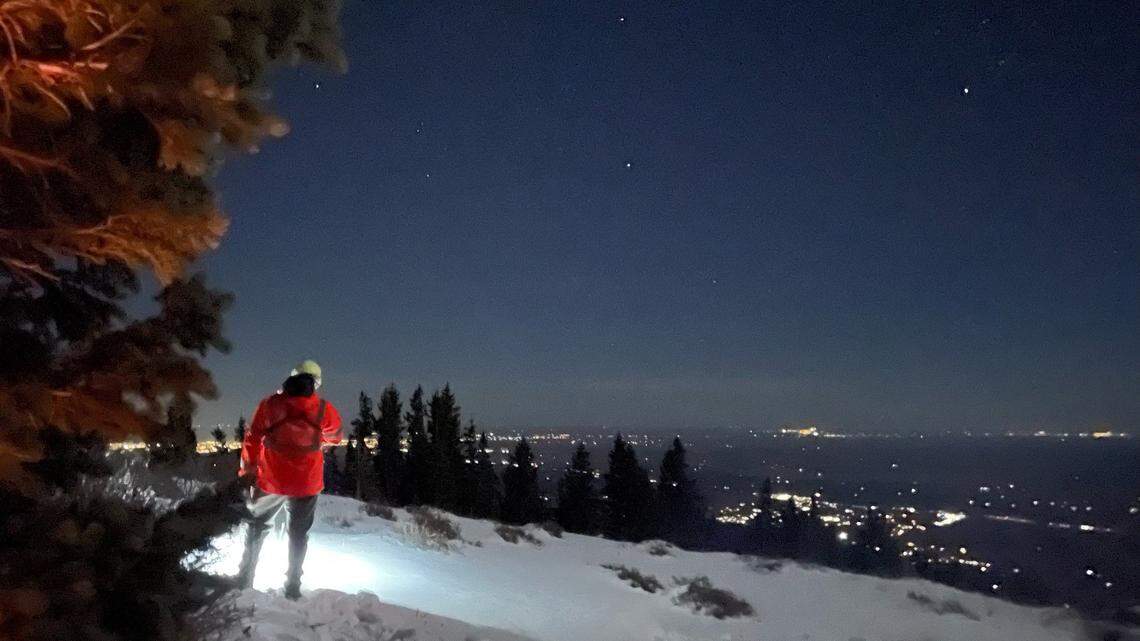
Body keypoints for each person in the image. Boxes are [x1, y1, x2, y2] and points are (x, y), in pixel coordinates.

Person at [236, 360, 343, 599]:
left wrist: (247, 473)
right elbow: (335, 437)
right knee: (298, 535)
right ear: (316, 382)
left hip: (270, 480)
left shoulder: (270, 405)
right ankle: (292, 587)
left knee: (257, 527)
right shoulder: (323, 408)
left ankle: (244, 582)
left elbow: (252, 438)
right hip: (307, 483)